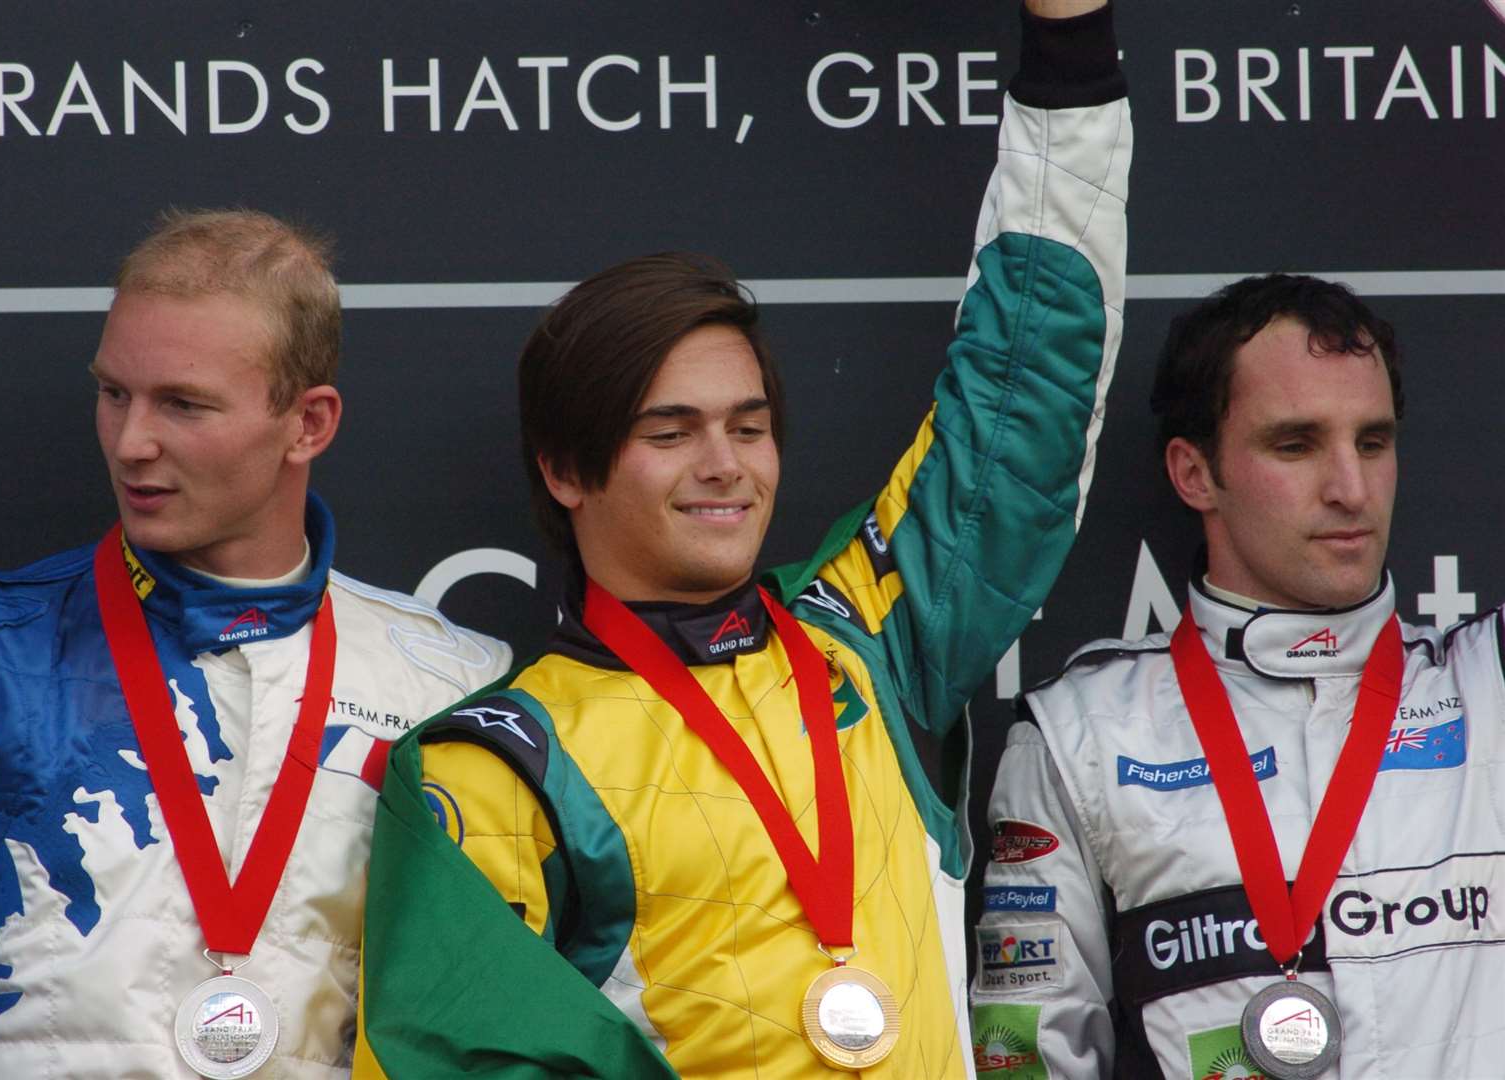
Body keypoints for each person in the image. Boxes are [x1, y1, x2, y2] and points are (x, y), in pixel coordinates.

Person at [355, 3, 1131, 1076]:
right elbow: (465, 1058)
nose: (724, 464)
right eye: (669, 433)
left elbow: (1022, 389)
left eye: (749, 427)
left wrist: (1070, 43)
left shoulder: (868, 637)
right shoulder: (493, 764)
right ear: (566, 468)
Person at [0, 209, 510, 1078]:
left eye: (183, 404)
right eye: (114, 393)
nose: (132, 443)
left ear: (308, 424)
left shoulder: (456, 683)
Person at [971, 274, 1505, 1078]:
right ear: (1194, 474)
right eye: (1294, 444)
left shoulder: (1487, 685)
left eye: (1371, 441)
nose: (1350, 489)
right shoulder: (1082, 735)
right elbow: (1025, 1059)